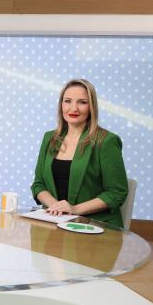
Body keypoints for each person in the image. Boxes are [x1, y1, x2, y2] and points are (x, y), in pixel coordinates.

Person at [31, 79, 128, 227]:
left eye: (82, 102)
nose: (73, 108)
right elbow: (39, 184)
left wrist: (74, 209)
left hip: (94, 225)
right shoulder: (49, 138)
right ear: (61, 105)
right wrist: (55, 205)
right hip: (53, 222)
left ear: (91, 107)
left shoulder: (106, 141)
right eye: (67, 101)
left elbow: (117, 192)